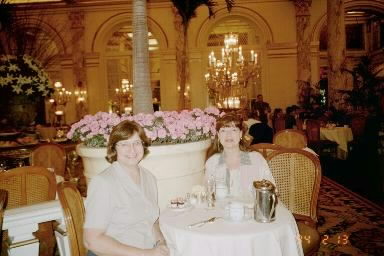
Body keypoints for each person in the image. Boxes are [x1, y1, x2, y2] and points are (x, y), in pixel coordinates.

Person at [83, 120, 169, 256]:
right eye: (124, 144)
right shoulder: (103, 183)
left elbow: (152, 221)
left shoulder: (149, 178)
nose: (132, 150)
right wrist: (147, 254)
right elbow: (92, 241)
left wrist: (161, 242)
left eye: (136, 143)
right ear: (114, 148)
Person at [205, 114, 275, 199]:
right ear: (218, 135)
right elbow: (207, 193)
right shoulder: (213, 162)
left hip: (252, 210)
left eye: (234, 130)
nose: (229, 135)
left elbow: (271, 192)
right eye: (223, 131)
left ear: (241, 134)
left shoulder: (256, 159)